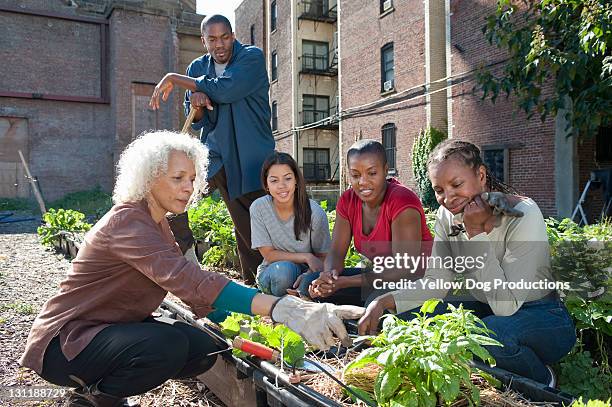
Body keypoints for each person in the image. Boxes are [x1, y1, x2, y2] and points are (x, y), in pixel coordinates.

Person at [20, 131, 363, 407]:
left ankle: (104, 385)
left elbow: (199, 296)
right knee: (165, 346)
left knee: (204, 348)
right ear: (149, 178)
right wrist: (283, 306)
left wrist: (246, 329)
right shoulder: (128, 222)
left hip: (108, 329)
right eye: (177, 178)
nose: (188, 187)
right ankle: (97, 398)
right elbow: (188, 279)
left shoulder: (158, 223)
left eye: (192, 178)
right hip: (66, 344)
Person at [358, 139, 576, 386]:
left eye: (456, 184)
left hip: (543, 316)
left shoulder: (523, 214)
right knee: (401, 317)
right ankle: (488, 370)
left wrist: (474, 233)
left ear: (481, 175)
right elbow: (437, 282)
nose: (448, 198)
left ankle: (542, 379)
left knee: (488, 336)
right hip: (487, 310)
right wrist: (384, 301)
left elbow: (507, 306)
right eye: (439, 190)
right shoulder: (446, 216)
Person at [149, 14, 274, 285]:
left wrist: (175, 78)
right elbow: (195, 119)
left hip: (249, 157)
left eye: (225, 37)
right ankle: (185, 256)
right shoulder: (196, 67)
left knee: (250, 228)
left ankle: (257, 287)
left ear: (233, 36)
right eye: (212, 39)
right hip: (213, 155)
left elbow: (227, 90)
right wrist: (196, 102)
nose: (220, 45)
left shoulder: (251, 58)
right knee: (173, 196)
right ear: (203, 40)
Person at [305, 139, 434, 306]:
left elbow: (404, 270)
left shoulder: (401, 200)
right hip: (381, 278)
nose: (363, 182)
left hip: (418, 282)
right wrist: (330, 277)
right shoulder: (348, 200)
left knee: (375, 302)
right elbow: (336, 252)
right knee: (309, 283)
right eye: (356, 175)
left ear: (386, 170)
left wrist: (345, 282)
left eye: (372, 173)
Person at [250, 151, 331, 297]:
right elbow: (268, 254)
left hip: (309, 272)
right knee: (284, 272)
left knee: (313, 285)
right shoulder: (259, 208)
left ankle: (299, 297)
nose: (281, 186)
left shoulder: (315, 213)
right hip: (273, 272)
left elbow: (323, 257)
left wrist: (308, 276)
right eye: (274, 180)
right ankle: (277, 305)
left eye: (287, 178)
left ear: (296, 180)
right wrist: (306, 257)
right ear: (266, 184)